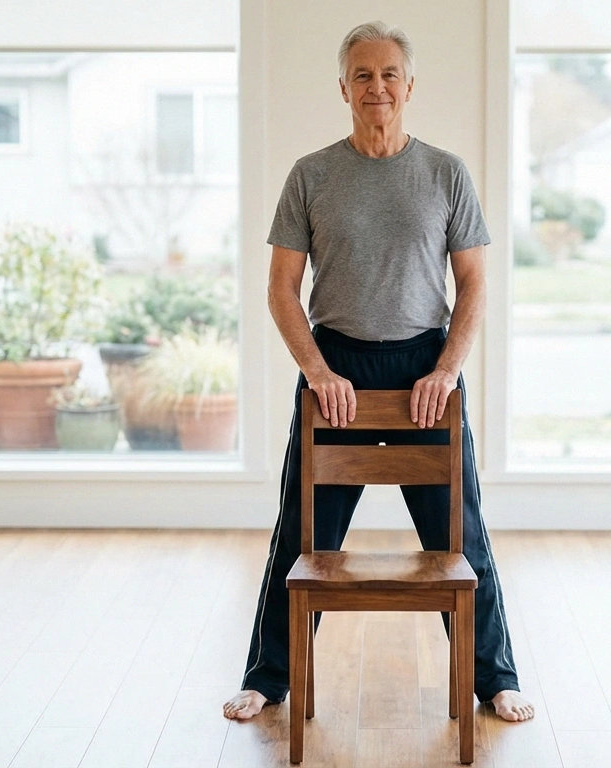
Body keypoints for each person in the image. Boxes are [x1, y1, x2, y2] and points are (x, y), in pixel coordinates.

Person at [222, 20, 535, 724]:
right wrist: (319, 370)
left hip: (425, 371)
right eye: (362, 75)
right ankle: (268, 676)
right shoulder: (312, 175)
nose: (377, 87)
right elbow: (281, 290)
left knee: (461, 534)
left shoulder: (445, 172)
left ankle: (496, 679)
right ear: (343, 88)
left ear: (410, 85)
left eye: (389, 74)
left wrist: (447, 370)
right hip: (337, 371)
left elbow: (475, 286)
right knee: (303, 534)